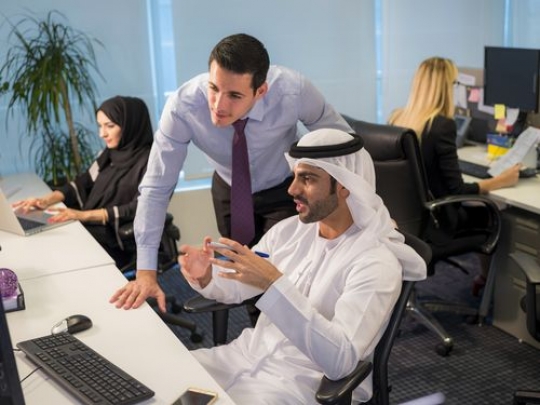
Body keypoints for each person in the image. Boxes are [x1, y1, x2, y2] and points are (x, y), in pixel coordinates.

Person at [174, 128, 426, 404]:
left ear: (345, 186)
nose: (292, 189)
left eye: (307, 179)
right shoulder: (287, 231)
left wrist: (274, 285)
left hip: (299, 383)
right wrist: (208, 276)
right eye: (295, 176)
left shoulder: (375, 262)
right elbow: (244, 280)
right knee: (162, 374)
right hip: (244, 355)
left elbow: (340, 360)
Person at [110, 33, 352, 313]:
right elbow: (156, 187)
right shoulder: (183, 106)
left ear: (261, 91)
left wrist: (366, 210)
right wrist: (145, 272)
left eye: (235, 95)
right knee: (242, 278)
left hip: (283, 187)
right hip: (229, 189)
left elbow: (345, 144)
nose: (218, 105)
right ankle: (259, 334)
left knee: (281, 277)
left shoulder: (292, 91)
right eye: (214, 88)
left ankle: (287, 336)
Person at [387, 56, 520, 293]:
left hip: (405, 221)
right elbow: (457, 190)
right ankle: (486, 282)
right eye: (455, 83)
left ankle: (483, 280)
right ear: (447, 87)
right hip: (438, 225)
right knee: (490, 214)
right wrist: (500, 181)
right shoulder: (442, 126)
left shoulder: (397, 118)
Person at [13, 96, 154, 269]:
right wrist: (46, 200)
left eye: (110, 126)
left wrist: (83, 215)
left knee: (57, 254)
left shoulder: (151, 164)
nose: (102, 134)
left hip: (116, 240)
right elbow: (84, 181)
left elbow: (140, 208)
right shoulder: (109, 154)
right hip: (93, 228)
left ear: (130, 125)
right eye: (100, 126)